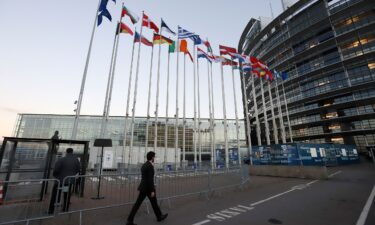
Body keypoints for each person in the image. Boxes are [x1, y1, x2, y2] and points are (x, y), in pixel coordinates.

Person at [126, 151, 168, 225]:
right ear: (152, 157)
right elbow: (150, 179)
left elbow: (146, 178)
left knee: (144, 203)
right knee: (152, 203)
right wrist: (152, 190)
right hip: (148, 188)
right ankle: (159, 216)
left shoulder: (144, 165)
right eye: (154, 157)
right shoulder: (150, 166)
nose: (154, 158)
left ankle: (159, 216)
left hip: (143, 187)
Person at [48, 148, 81, 214]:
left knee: (55, 194)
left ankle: (51, 210)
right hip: (68, 182)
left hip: (59, 181)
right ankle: (65, 208)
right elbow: (78, 169)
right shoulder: (76, 160)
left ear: (66, 152)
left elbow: (56, 170)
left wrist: (56, 175)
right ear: (72, 152)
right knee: (66, 194)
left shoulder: (61, 159)